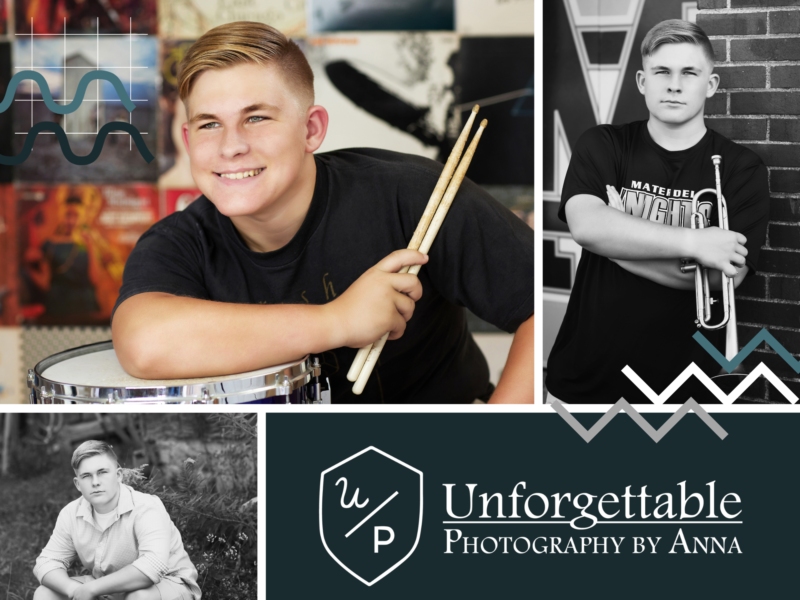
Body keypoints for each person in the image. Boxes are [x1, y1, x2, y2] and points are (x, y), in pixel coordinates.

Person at [111, 21, 534, 404]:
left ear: (311, 129)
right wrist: (338, 320)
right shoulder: (178, 242)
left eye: (256, 117)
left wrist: (493, 440)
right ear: (188, 141)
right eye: (209, 124)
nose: (231, 146)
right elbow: (143, 344)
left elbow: (550, 306)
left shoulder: (414, 192)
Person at [545, 20, 769, 404]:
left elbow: (723, 279)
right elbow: (587, 226)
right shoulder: (603, 144)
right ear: (642, 81)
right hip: (582, 381)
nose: (674, 85)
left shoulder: (741, 168)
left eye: (689, 73)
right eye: (662, 71)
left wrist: (616, 242)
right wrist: (696, 243)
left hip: (685, 392)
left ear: (710, 84)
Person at [33, 441, 200, 600]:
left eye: (102, 472)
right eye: (86, 476)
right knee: (45, 594)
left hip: (168, 584)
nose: (95, 482)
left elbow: (152, 567)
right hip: (107, 589)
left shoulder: (146, 507)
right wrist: (74, 590)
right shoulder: (71, 513)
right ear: (78, 484)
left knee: (139, 598)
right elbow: (46, 562)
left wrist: (91, 589)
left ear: (118, 475)